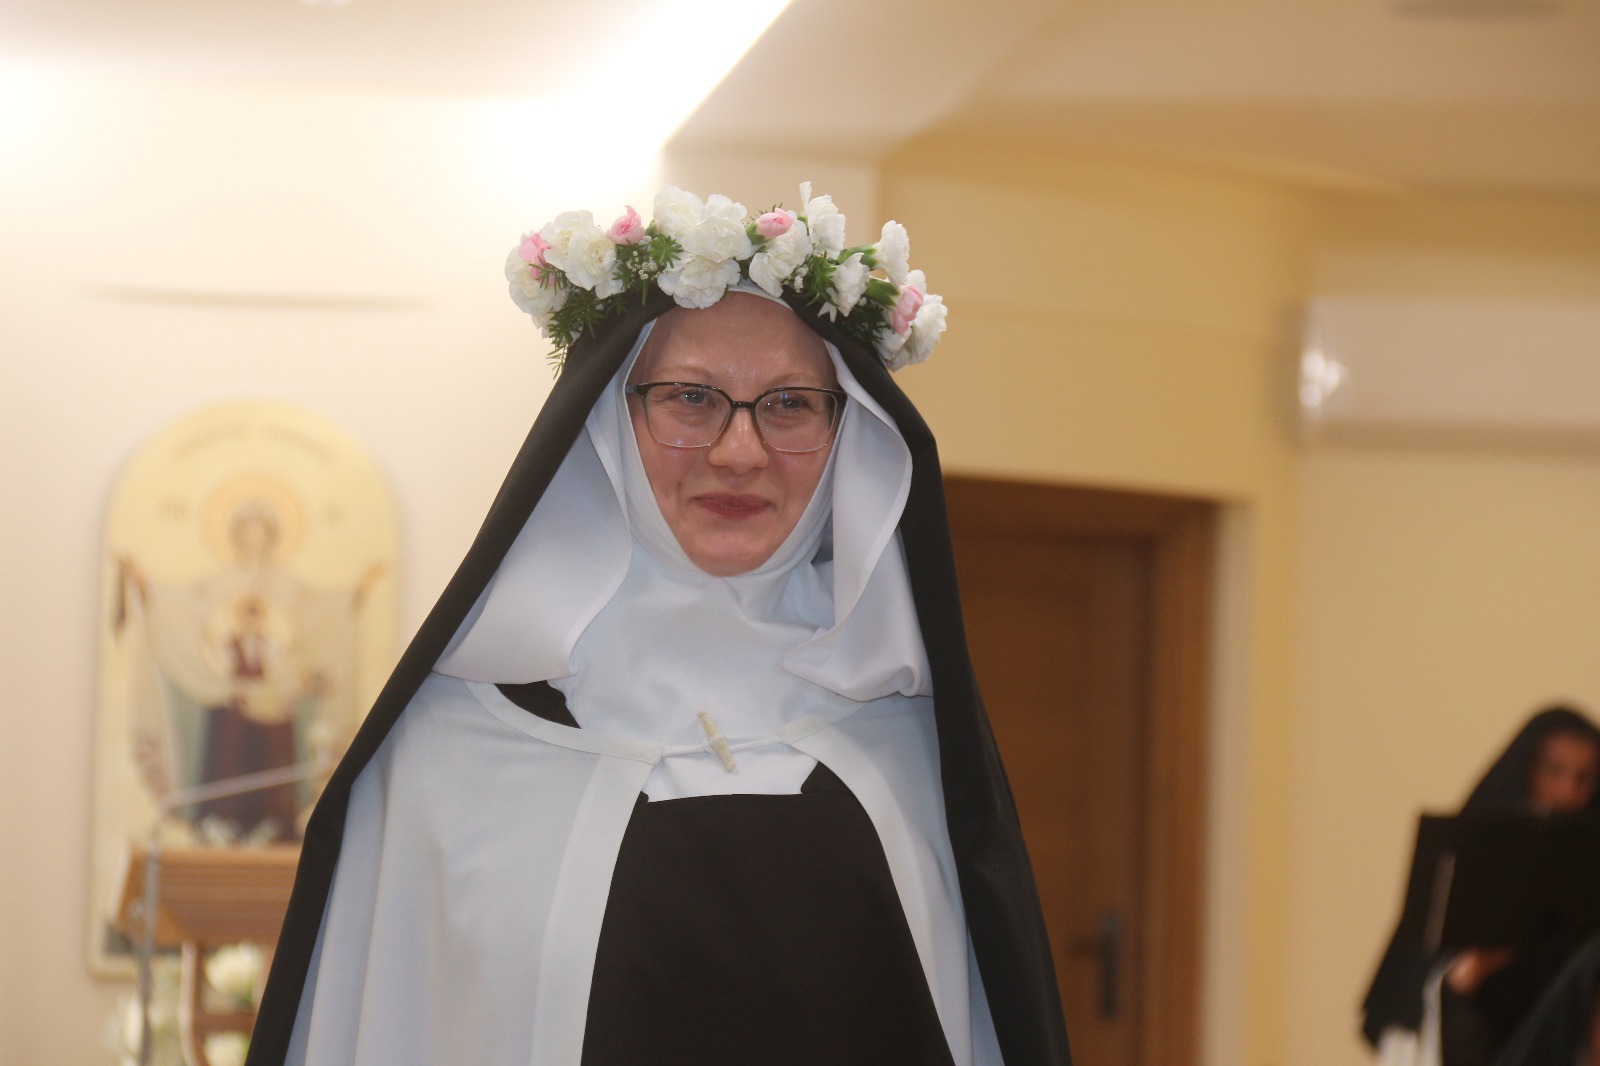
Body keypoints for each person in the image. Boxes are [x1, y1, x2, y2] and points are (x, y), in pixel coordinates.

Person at [245, 185, 1072, 1066]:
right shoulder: (453, 748)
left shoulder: (909, 737)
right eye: (690, 398)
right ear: (610, 420)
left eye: (790, 404)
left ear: (848, 438)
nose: (740, 451)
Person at [1362, 705, 1600, 1066]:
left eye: (1584, 778)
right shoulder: (1471, 854)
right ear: (1527, 768)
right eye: (1555, 770)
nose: (1568, 791)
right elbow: (1415, 986)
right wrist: (1465, 976)